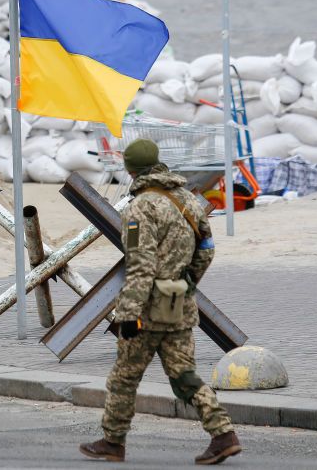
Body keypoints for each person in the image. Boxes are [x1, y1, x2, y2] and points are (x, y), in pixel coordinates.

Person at [79, 138, 242, 465]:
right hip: (180, 305)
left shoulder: (140, 208)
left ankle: (113, 441)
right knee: (184, 375)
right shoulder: (188, 200)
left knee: (124, 376)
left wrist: (127, 313)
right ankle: (223, 434)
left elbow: (140, 264)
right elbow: (206, 249)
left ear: (130, 170)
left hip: (147, 309)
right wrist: (186, 282)